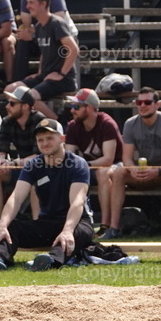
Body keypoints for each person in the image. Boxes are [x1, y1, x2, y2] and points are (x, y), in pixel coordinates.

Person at [0, 118, 95, 271]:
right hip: (48, 223)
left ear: (62, 139)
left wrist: (67, 230)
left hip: (77, 222)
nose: (45, 143)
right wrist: (2, 225)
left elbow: (77, 202)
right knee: (11, 225)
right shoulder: (33, 165)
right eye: (40, 140)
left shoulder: (78, 164)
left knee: (77, 231)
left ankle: (51, 261)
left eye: (50, 138)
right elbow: (16, 198)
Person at [103, 87, 161, 241]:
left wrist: (158, 171)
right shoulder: (130, 124)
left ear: (157, 105)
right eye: (139, 102)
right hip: (143, 170)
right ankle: (113, 228)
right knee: (118, 172)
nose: (142, 106)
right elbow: (127, 158)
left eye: (147, 102)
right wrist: (133, 169)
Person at [14, 0, 79, 120]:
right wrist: (39, 72)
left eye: (31, 3)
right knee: (11, 90)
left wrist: (61, 74)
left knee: (29, 97)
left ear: (43, 4)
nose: (27, 6)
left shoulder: (56, 23)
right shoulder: (39, 26)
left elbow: (73, 49)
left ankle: (58, 124)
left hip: (63, 79)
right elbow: (44, 52)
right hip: (46, 75)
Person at [63, 88, 121, 223]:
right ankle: (68, 221)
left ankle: (105, 225)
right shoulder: (73, 126)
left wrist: (83, 165)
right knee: (66, 171)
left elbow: (108, 159)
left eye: (76, 106)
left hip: (116, 166)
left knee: (102, 173)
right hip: (88, 167)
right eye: (72, 106)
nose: (72, 110)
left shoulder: (107, 124)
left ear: (89, 108)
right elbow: (69, 156)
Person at [16, 0, 77, 79]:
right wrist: (31, 34)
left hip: (61, 39)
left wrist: (33, 35)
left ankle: (59, 78)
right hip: (42, 37)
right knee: (22, 41)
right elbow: (27, 26)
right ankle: (19, 81)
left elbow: (57, 24)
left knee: (49, 43)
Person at [0, 85, 44, 207]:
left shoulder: (40, 121)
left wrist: (13, 164)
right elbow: (1, 149)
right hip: (21, 168)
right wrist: (1, 162)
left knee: (34, 177)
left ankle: (37, 223)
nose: (7, 107)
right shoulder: (7, 122)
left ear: (25, 106)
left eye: (12, 103)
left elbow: (39, 156)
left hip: (43, 169)